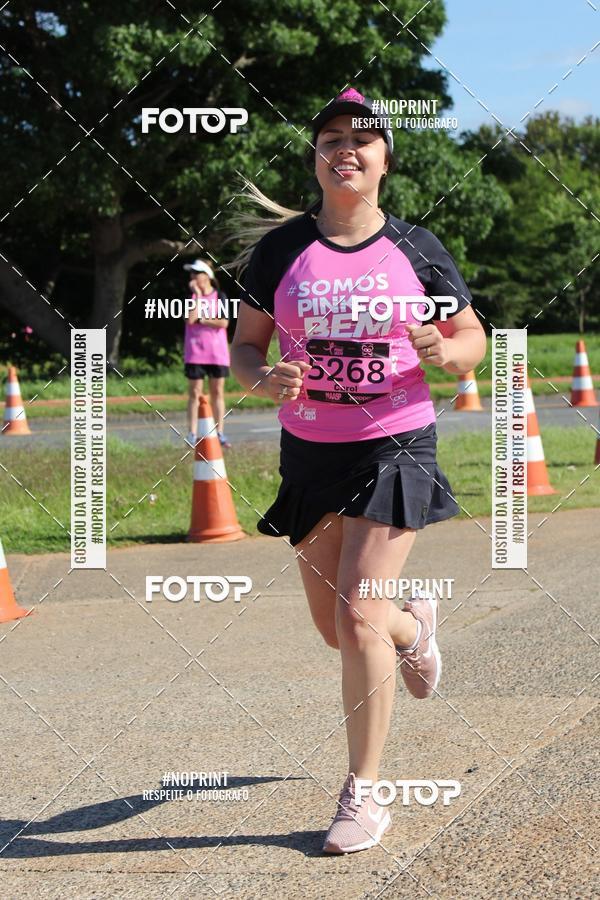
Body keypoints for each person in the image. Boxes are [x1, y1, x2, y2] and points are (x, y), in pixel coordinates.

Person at [229, 88, 486, 854]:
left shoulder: (415, 247)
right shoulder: (280, 252)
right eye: (332, 137)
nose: (347, 147)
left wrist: (448, 352)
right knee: (335, 629)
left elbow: (470, 335)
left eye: (363, 139)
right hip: (310, 449)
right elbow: (245, 346)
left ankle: (364, 795)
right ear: (316, 157)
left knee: (356, 617)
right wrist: (260, 376)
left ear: (384, 159)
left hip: (395, 443)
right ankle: (416, 626)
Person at [183, 259, 232, 449]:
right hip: (195, 352)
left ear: (207, 276)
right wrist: (196, 296)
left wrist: (203, 319)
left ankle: (219, 433)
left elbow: (224, 323)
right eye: (192, 273)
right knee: (195, 393)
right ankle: (192, 434)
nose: (193, 277)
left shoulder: (220, 296)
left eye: (197, 273)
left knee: (217, 392)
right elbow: (189, 319)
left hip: (217, 353)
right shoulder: (190, 297)